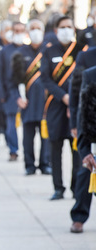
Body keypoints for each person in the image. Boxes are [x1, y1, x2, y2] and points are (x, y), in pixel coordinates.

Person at [40, 16, 87, 200]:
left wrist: (73, 98)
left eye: (69, 26)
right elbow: (45, 79)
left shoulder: (81, 51)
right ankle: (58, 188)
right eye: (63, 27)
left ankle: (77, 187)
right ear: (56, 29)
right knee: (55, 148)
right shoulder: (49, 52)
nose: (66, 29)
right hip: (55, 106)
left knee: (77, 149)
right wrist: (64, 96)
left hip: (78, 107)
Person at [11, 19, 51, 175]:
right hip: (27, 102)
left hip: (46, 101)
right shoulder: (20, 53)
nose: (35, 31)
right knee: (28, 136)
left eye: (38, 28)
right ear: (28, 32)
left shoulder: (49, 51)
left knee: (45, 136)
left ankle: (45, 163)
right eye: (32, 28)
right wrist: (17, 98)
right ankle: (29, 165)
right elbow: (12, 80)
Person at [69, 64, 96, 233]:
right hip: (94, 142)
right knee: (85, 174)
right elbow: (83, 114)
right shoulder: (90, 73)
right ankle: (79, 216)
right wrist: (85, 150)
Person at [0, 21, 26, 161]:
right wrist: (1, 93)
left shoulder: (28, 50)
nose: (19, 33)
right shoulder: (5, 51)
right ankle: (13, 150)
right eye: (16, 30)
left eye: (21, 30)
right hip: (9, 92)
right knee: (11, 125)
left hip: (27, 93)